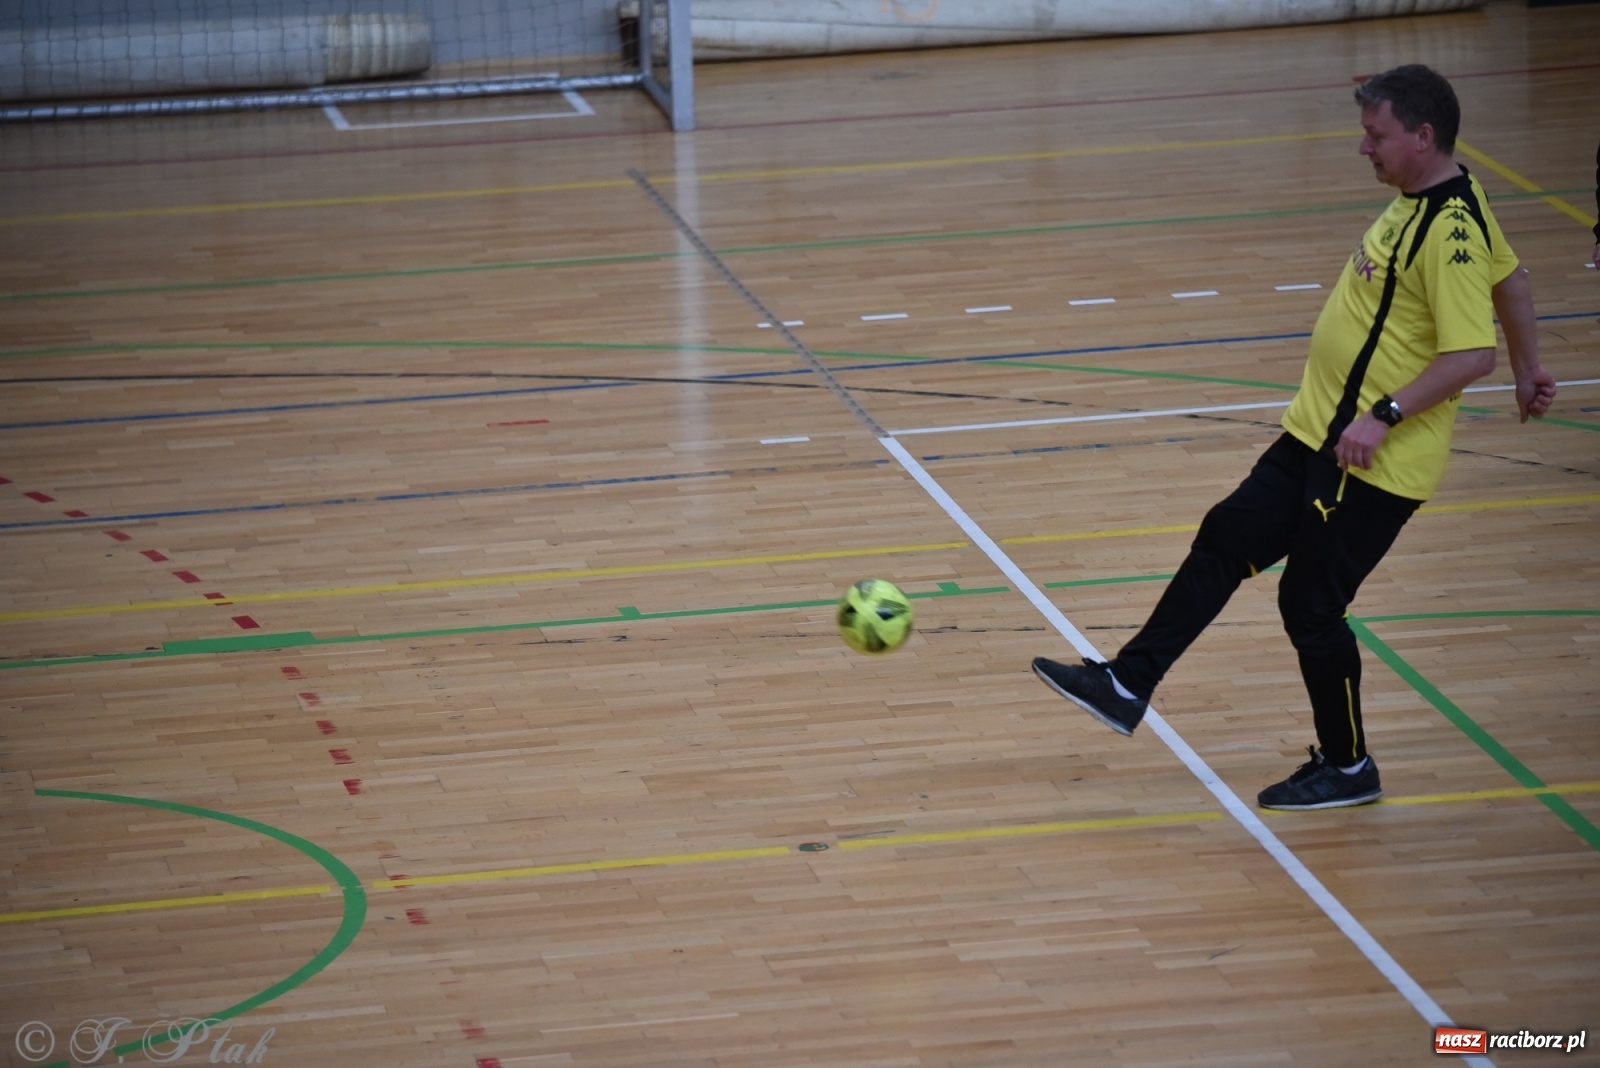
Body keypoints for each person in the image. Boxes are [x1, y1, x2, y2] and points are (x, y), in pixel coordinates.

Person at [1032, 64, 1558, 811]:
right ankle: (1126, 683)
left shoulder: (1451, 228)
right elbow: (1515, 281)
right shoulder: (1431, 199)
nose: (1363, 148)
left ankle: (1347, 767)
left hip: (1371, 462)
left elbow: (1471, 353)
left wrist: (1387, 415)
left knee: (1310, 607)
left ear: (1423, 135)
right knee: (1225, 536)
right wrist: (1534, 366)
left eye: (1375, 136)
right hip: (1317, 435)